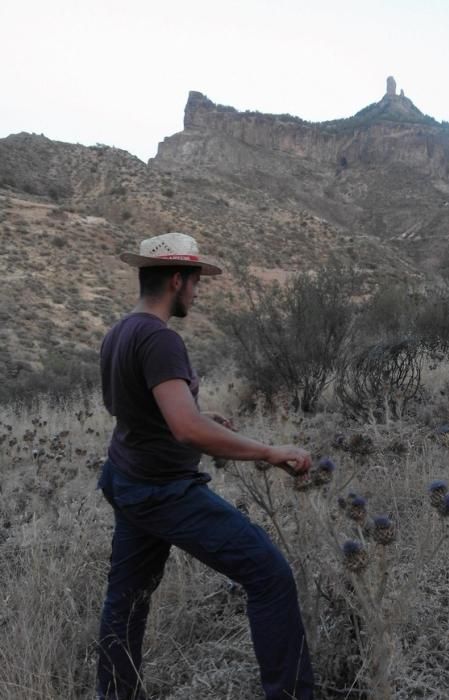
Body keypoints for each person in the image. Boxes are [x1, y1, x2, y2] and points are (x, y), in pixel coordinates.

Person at [96, 232, 315, 700]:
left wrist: (199, 413)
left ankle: (114, 695)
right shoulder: (160, 339)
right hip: (164, 492)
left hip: (127, 478)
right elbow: (185, 430)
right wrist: (269, 451)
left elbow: (130, 405)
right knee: (270, 576)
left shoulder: (120, 331)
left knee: (127, 601)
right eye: (196, 282)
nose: (198, 292)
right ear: (177, 279)